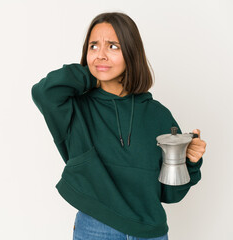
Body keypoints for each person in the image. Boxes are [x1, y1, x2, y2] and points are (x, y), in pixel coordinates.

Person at [31, 11, 207, 240]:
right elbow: (44, 92)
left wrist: (190, 162)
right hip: (95, 228)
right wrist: (92, 75)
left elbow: (170, 194)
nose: (100, 55)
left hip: (151, 232)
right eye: (93, 46)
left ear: (131, 53)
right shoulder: (75, 109)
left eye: (113, 46)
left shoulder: (158, 115)